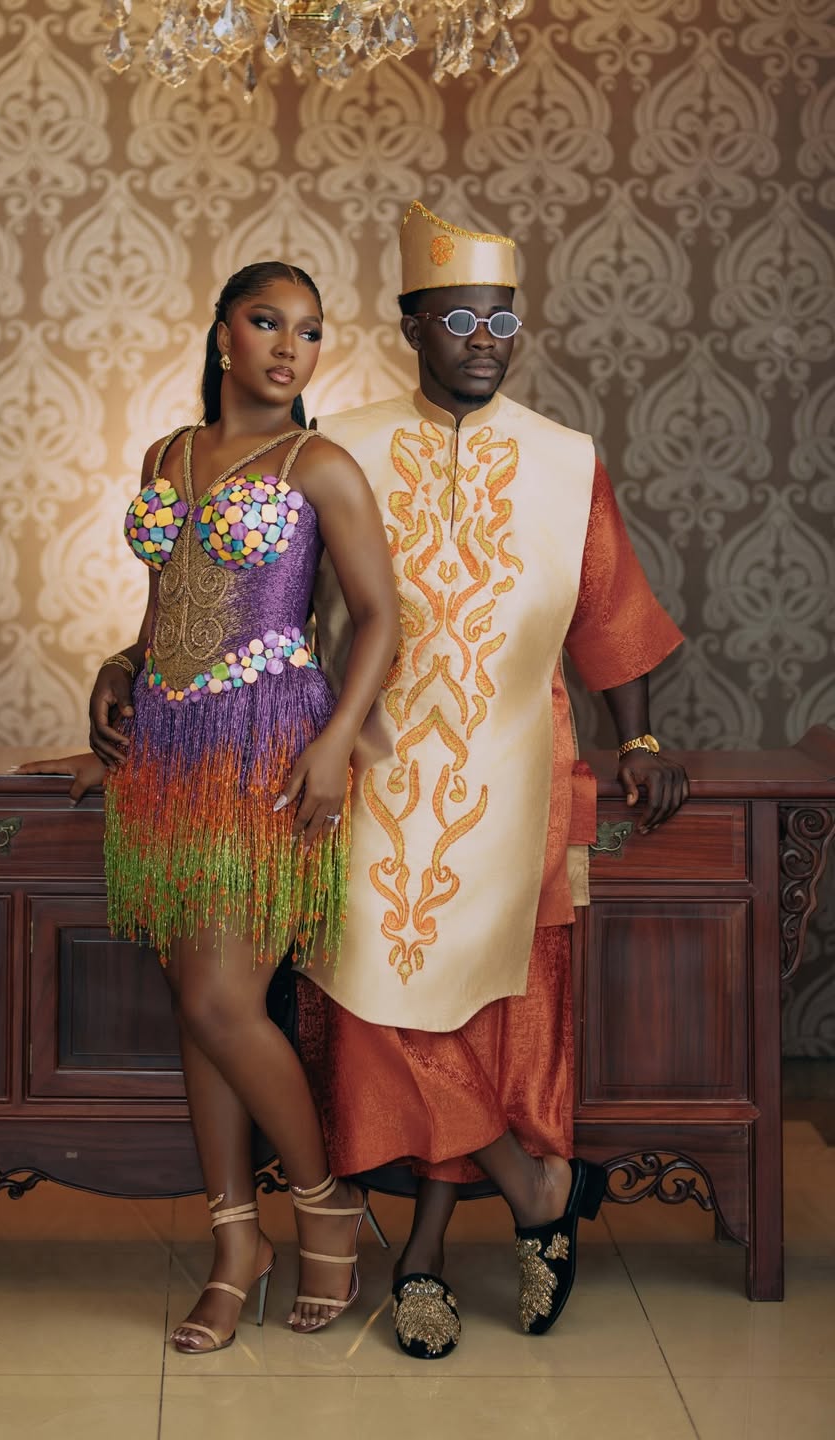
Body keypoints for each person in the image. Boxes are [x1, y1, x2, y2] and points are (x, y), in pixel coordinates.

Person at [290, 200, 691, 1356]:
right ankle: (539, 1194)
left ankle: (421, 1257)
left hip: (515, 775)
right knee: (376, 1003)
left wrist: (643, 743)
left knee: (487, 1020)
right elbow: (271, 598)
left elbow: (611, 617)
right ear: (412, 325)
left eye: (500, 319)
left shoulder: (567, 462)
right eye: (457, 317)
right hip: (365, 773)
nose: (482, 338)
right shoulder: (344, 443)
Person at [20, 261, 400, 1354]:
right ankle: (239, 1240)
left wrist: (333, 746)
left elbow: (377, 620)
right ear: (223, 336)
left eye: (312, 332)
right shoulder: (169, 456)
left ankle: (325, 1206)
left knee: (226, 1003)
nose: (291, 347)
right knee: (200, 1002)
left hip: (270, 748)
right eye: (268, 322)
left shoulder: (321, 465)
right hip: (170, 754)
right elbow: (175, 604)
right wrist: (121, 664)